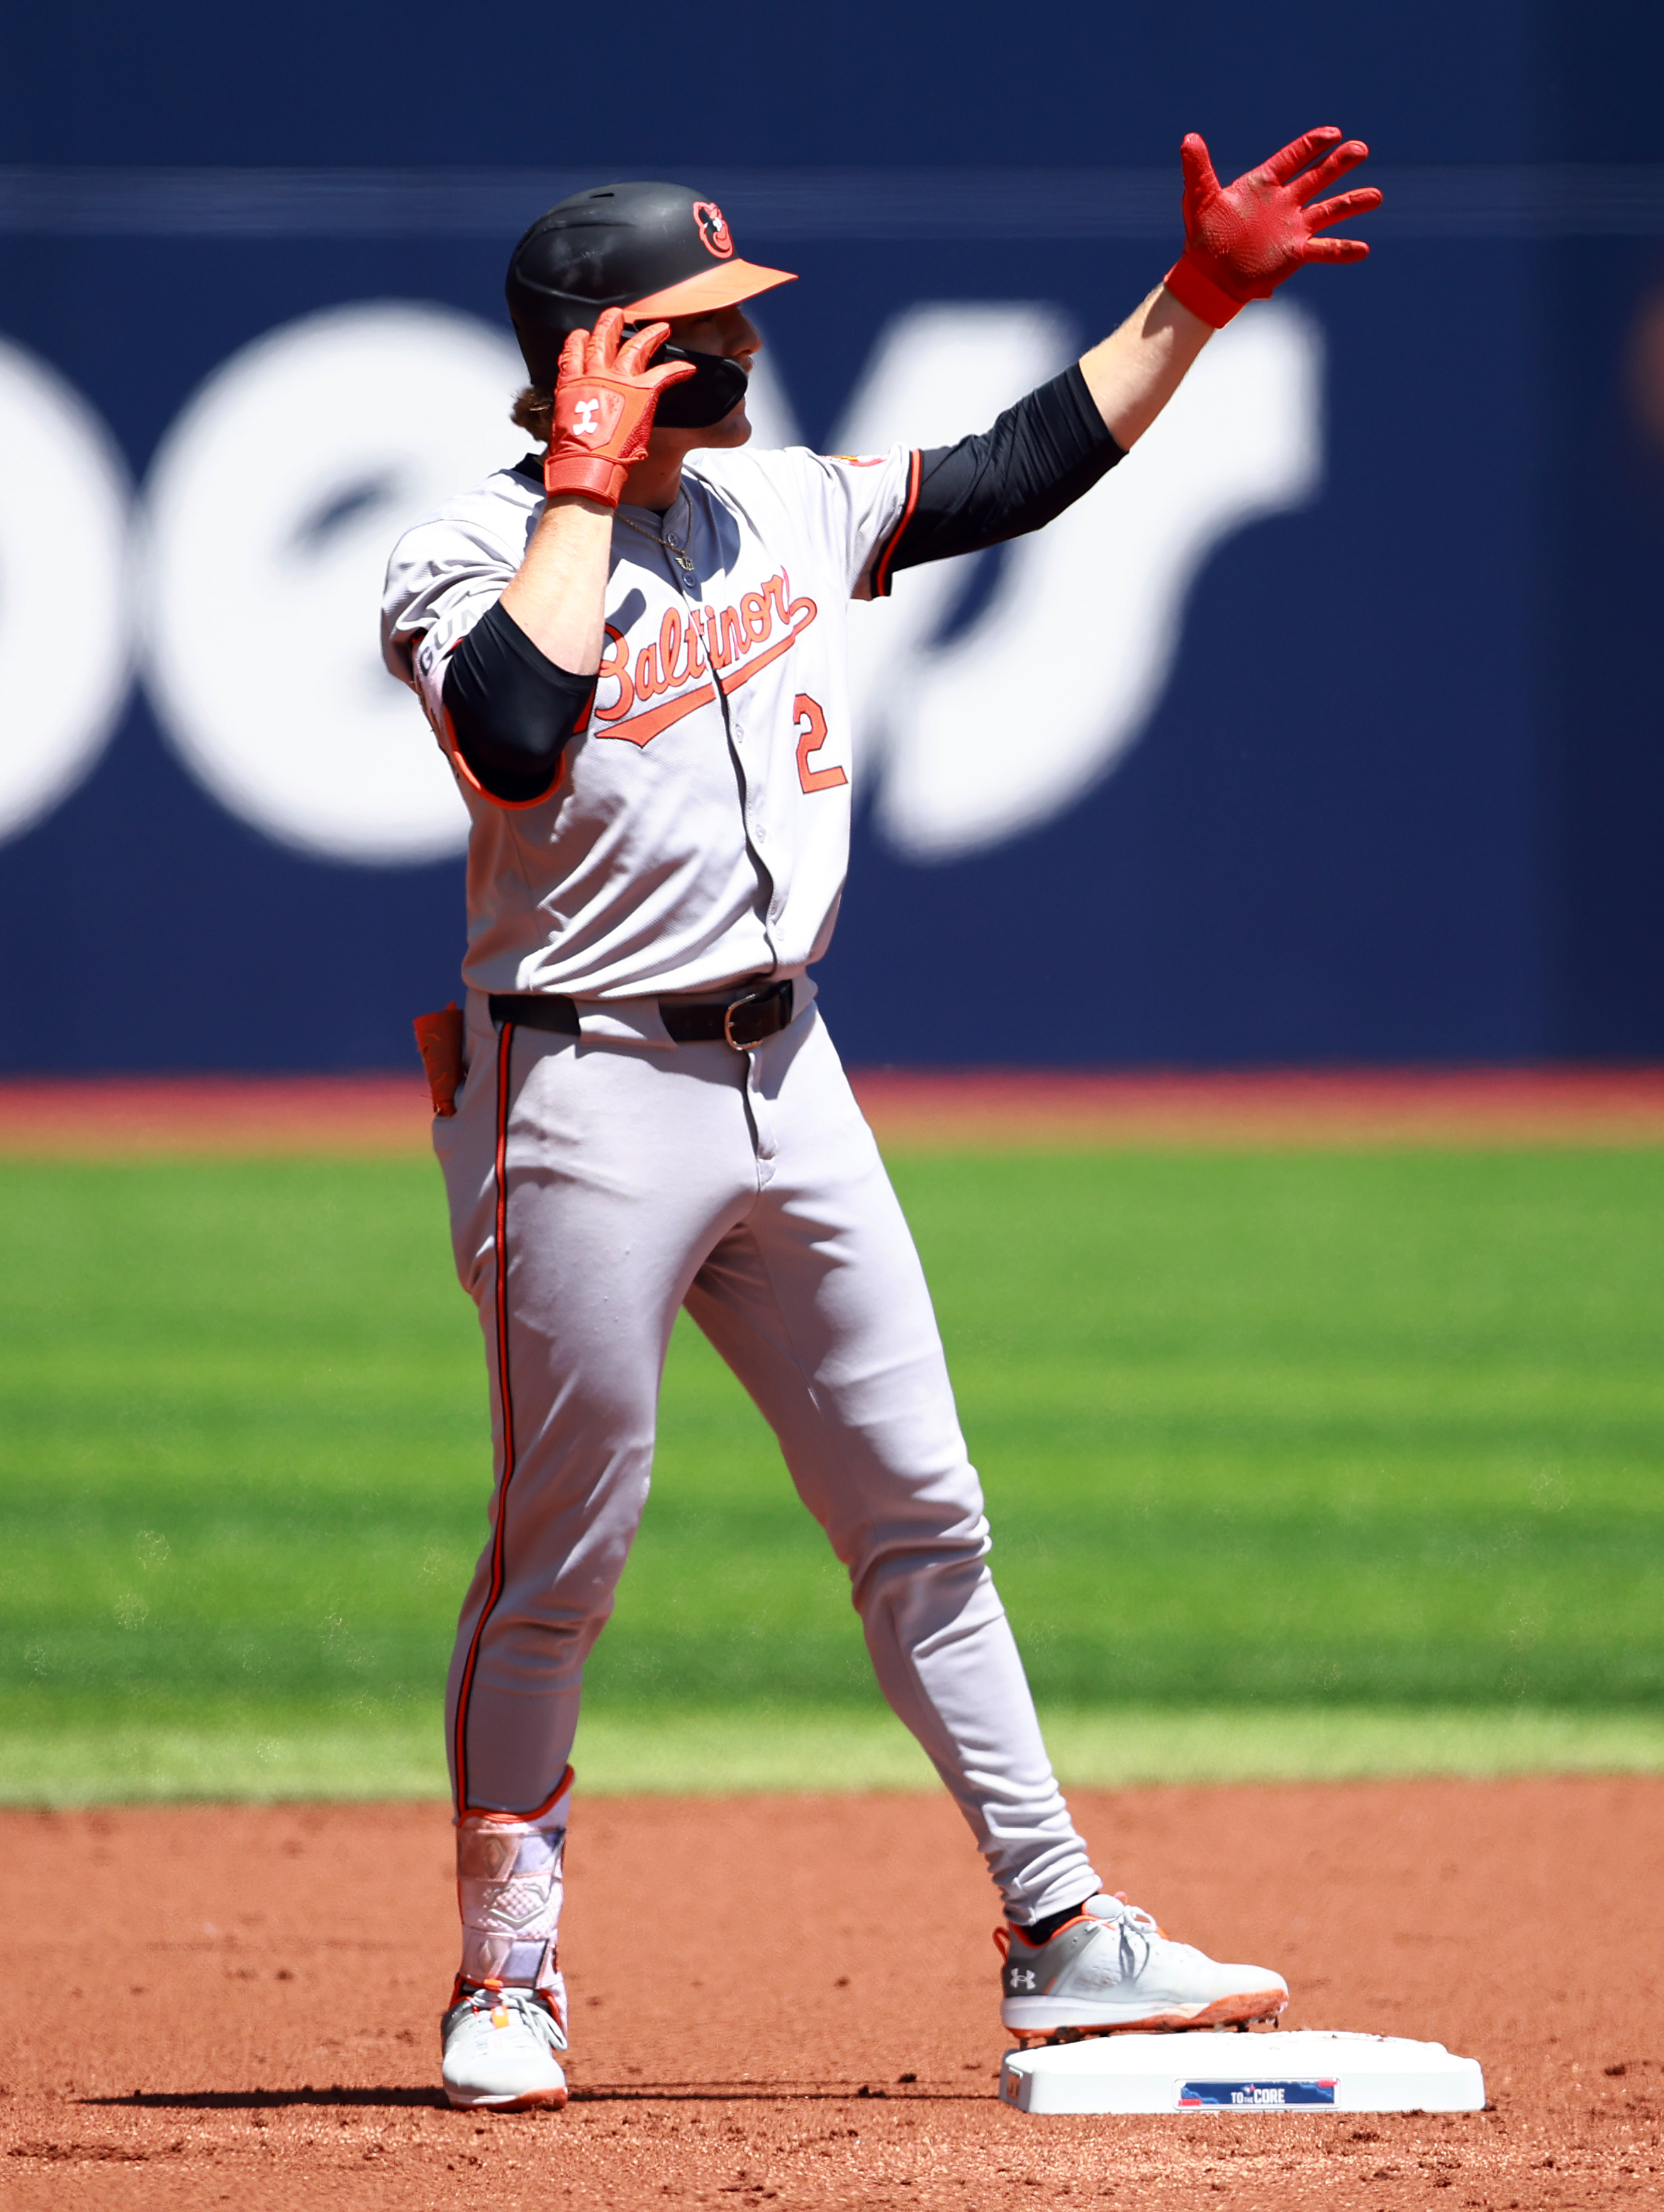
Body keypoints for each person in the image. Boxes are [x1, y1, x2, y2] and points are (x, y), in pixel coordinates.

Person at [382, 130, 1380, 2113]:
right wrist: (583, 485)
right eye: (696, 329)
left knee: (925, 1520)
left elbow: (1012, 468)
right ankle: (507, 1983)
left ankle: (1063, 1933)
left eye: (738, 324)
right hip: (576, 1089)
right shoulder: (460, 552)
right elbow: (509, 734)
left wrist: (1190, 300)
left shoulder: (777, 508)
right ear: (595, 355)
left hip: (792, 1077)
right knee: (561, 1555)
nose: (738, 360)